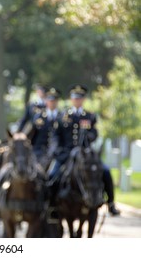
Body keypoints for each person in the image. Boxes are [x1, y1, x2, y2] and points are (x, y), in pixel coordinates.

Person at [49, 84, 120, 216]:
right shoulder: (62, 116)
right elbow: (55, 135)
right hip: (66, 154)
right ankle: (52, 207)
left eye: (79, 98)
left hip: (86, 154)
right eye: (75, 98)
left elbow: (95, 133)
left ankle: (110, 203)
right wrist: (56, 150)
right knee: (52, 176)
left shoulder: (90, 116)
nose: (77, 100)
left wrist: (89, 135)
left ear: (83, 99)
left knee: (105, 171)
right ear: (71, 99)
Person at [30, 87, 62, 171]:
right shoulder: (39, 117)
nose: (52, 103)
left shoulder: (62, 117)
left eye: (54, 100)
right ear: (46, 101)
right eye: (50, 100)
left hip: (57, 154)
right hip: (39, 153)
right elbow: (32, 136)